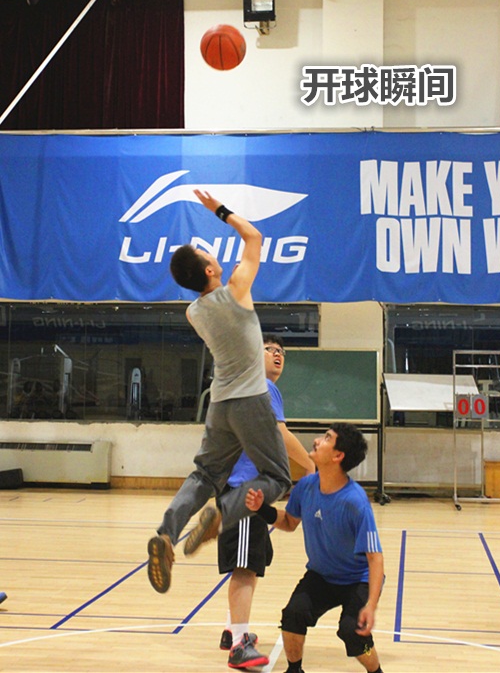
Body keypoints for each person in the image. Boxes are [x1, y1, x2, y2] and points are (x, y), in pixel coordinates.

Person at [147, 190, 292, 604]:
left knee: (204, 475)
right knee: (278, 478)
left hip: (219, 403)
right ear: (210, 268)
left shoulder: (193, 312)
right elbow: (254, 237)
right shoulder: (235, 291)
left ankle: (166, 534)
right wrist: (220, 211)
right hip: (250, 400)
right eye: (205, 253)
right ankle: (223, 513)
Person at [246, 422, 385, 673]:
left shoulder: (355, 502)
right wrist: (262, 510)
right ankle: (294, 670)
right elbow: (289, 522)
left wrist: (371, 605)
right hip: (322, 576)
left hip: (357, 580)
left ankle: (376, 672)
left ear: (338, 456)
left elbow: (375, 558)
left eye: (327, 438)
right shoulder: (306, 486)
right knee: (293, 615)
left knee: (353, 633)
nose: (317, 441)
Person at [217, 333, 315, 669]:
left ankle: (232, 630)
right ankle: (239, 647)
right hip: (245, 492)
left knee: (254, 560)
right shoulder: (262, 387)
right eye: (269, 349)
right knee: (245, 568)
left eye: (281, 351)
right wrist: (311, 466)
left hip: (245, 491)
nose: (277, 354)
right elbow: (280, 434)